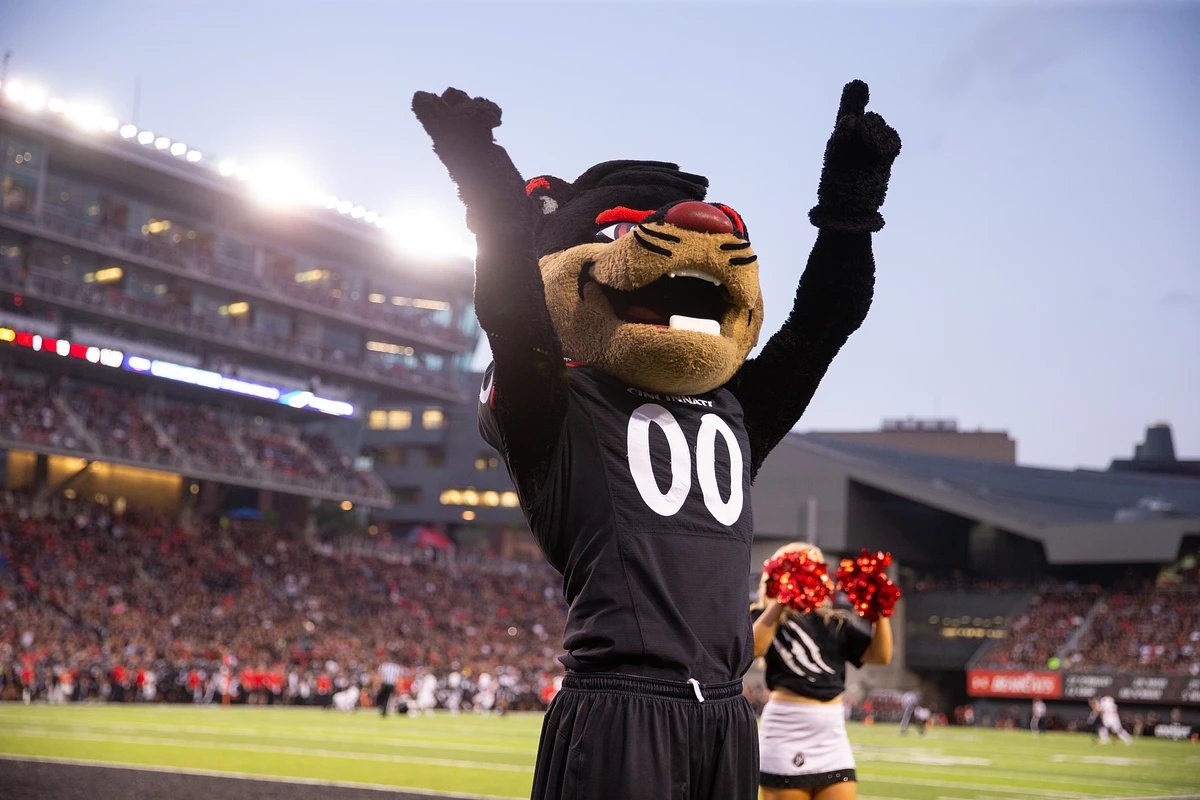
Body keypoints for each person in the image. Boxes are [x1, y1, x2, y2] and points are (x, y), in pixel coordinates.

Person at [752, 543, 893, 799]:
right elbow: (754, 648)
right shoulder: (764, 617)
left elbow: (880, 656)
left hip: (832, 734)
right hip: (786, 731)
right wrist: (783, 598)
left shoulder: (834, 622)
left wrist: (880, 611)